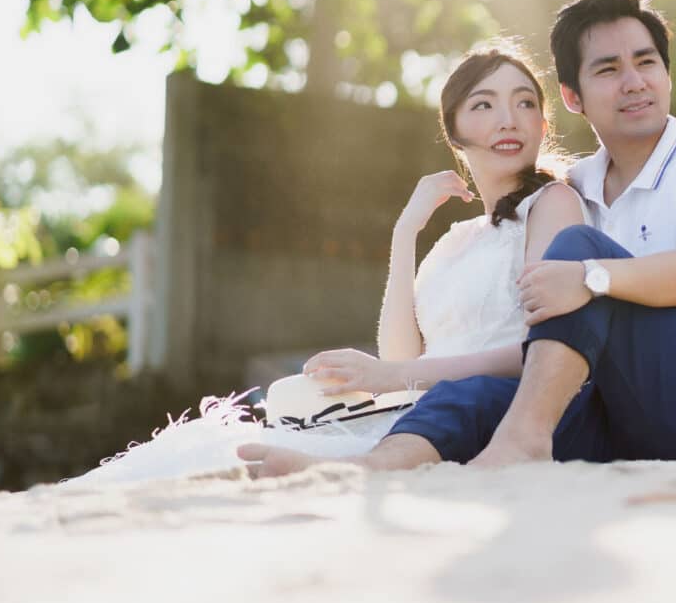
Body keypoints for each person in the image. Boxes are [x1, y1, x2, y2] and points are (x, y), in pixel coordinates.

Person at [239, 0, 676, 477]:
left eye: (646, 62)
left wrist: (590, 279)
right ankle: (361, 470)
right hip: (627, 422)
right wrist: (407, 233)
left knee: (574, 256)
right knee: (477, 396)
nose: (634, 82)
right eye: (609, 68)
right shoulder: (578, 186)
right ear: (574, 98)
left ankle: (523, 440)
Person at [70, 43, 586, 485]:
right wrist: (405, 233)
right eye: (484, 104)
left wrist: (392, 375)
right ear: (453, 130)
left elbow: (540, 352)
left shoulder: (553, 206)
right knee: (212, 451)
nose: (508, 119)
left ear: (543, 124)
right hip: (423, 410)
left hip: (499, 408)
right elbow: (401, 354)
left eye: (524, 104)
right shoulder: (454, 239)